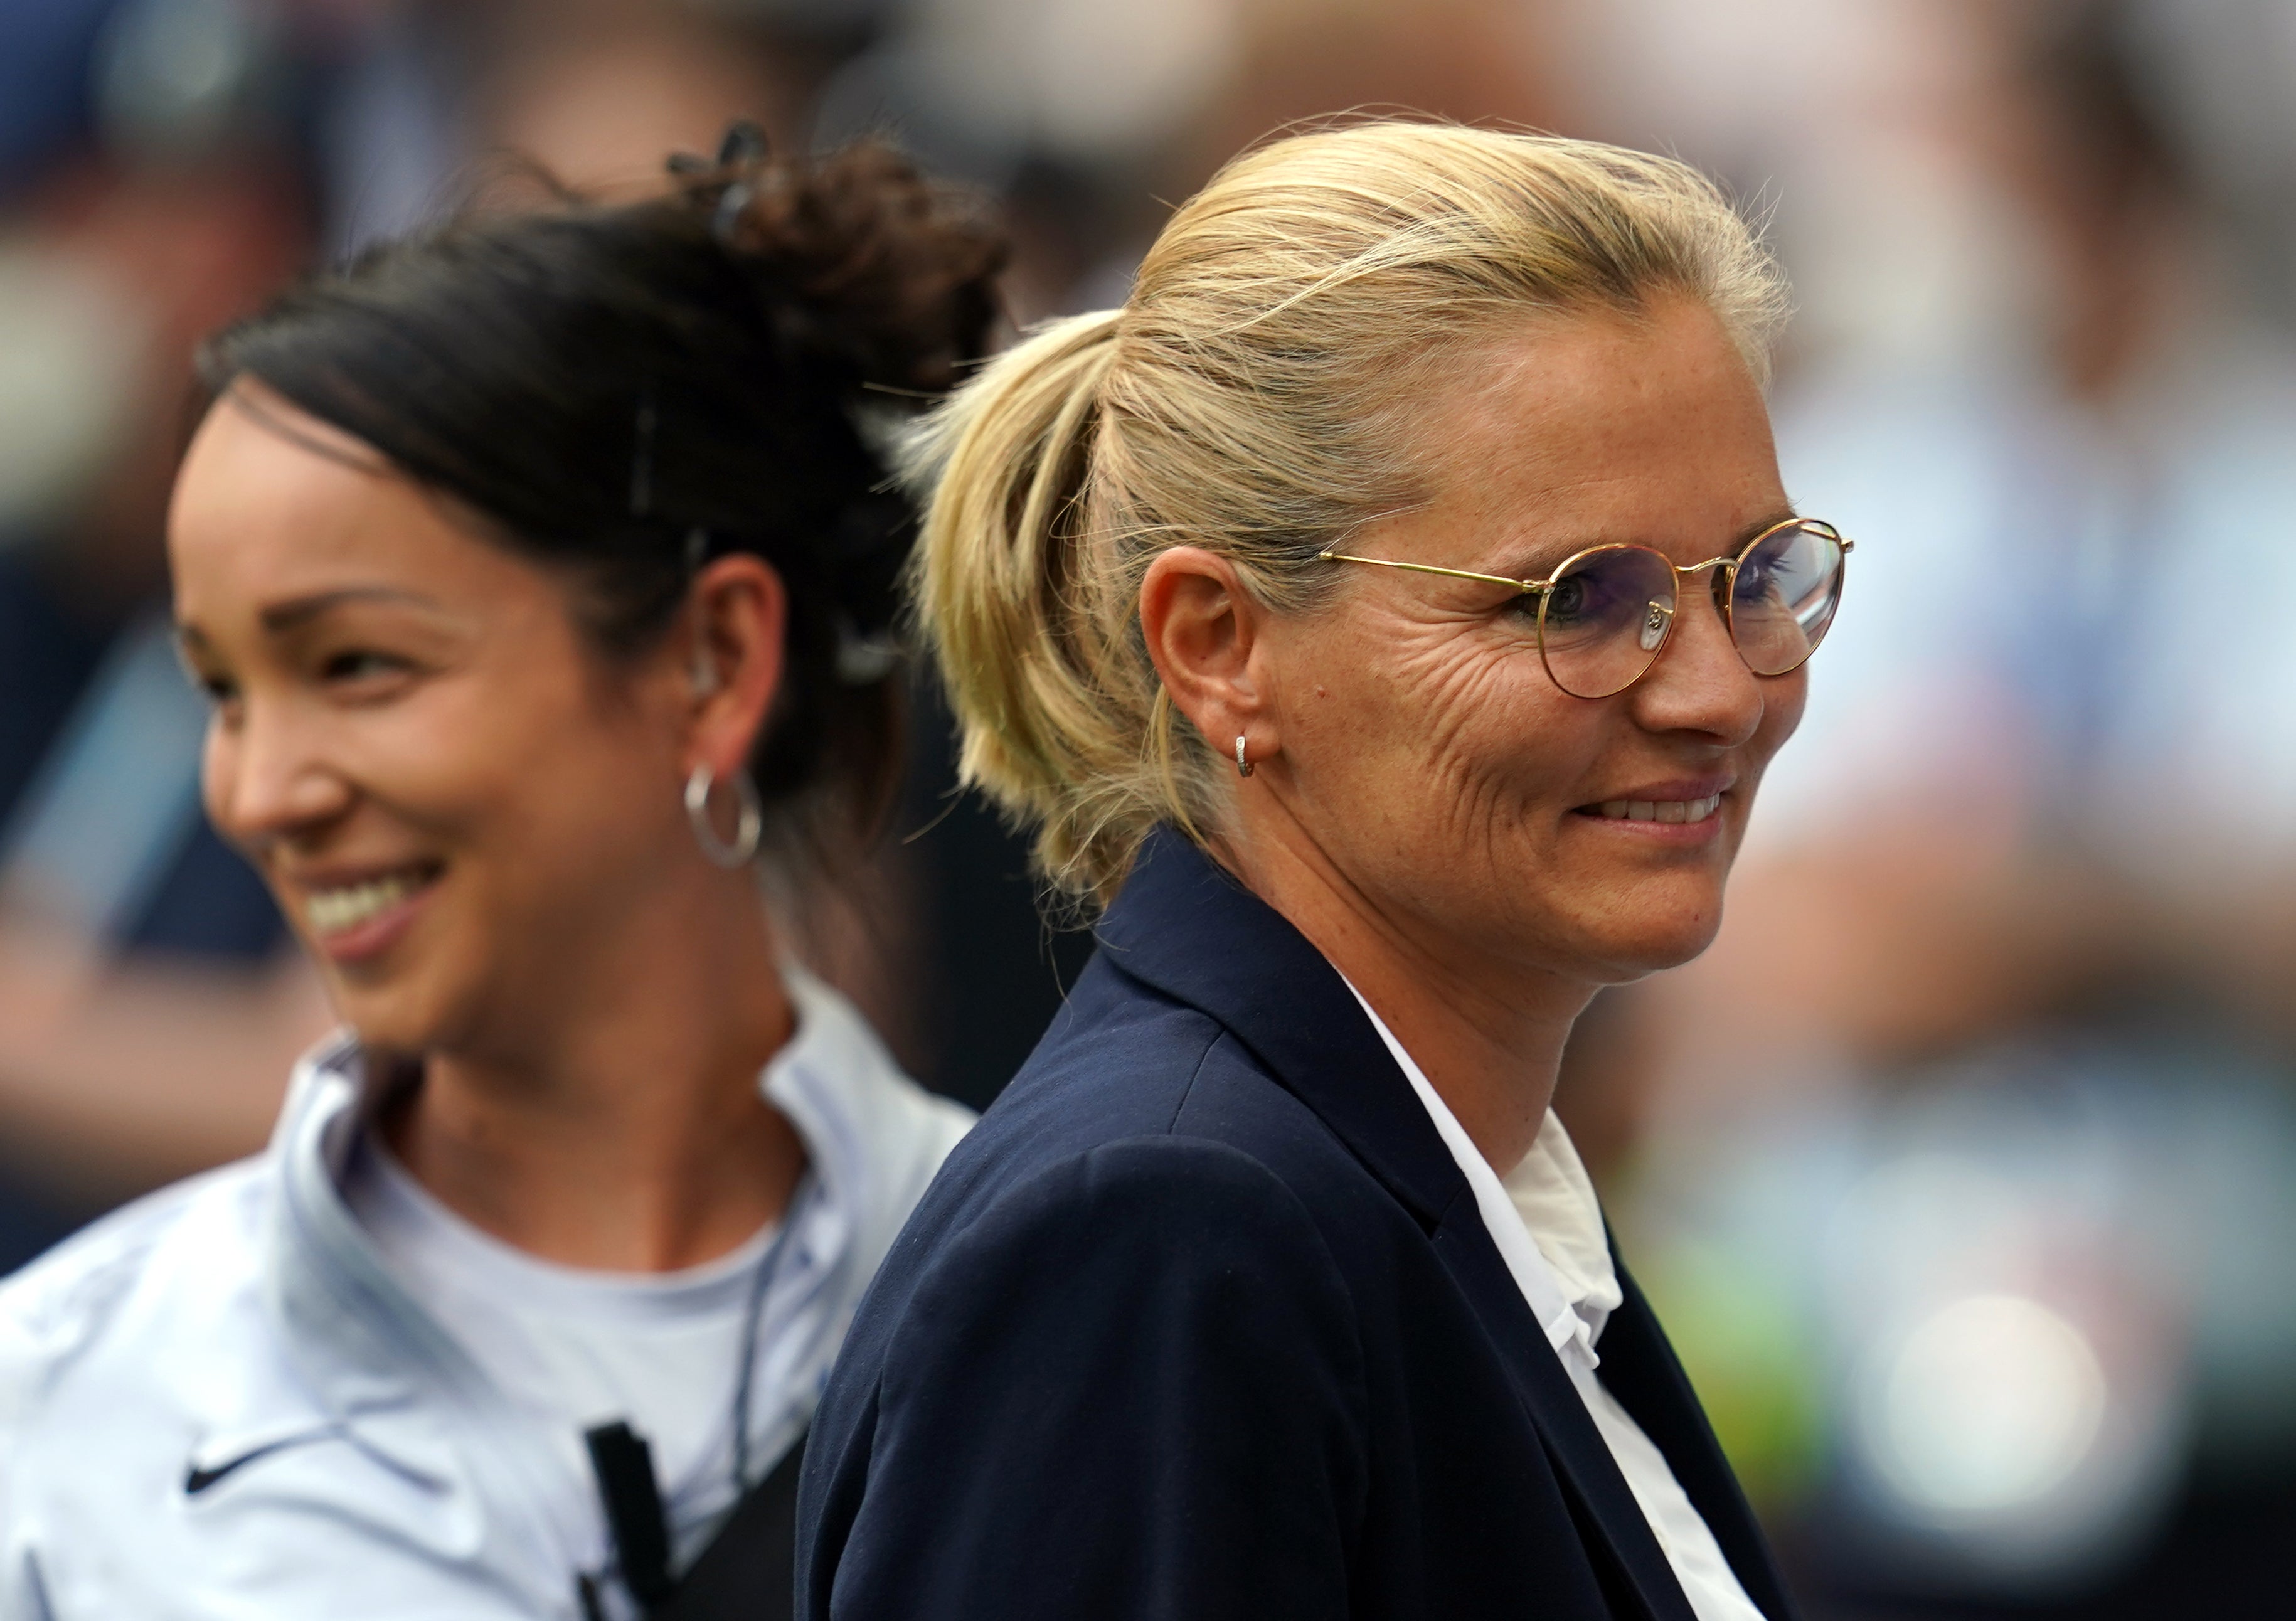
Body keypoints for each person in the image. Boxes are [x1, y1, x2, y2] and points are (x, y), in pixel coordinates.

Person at [799, 120, 1846, 1620]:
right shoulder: (1164, 1236)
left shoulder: (1424, 1184)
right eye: (1579, 596)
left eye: (1756, 575)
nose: (1721, 692)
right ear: (1221, 647)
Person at [0, 129, 1001, 1619]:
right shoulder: (61, 1403)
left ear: (713, 659)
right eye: (221, 689)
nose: (260, 793)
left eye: (359, 665)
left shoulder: (1070, 1308)